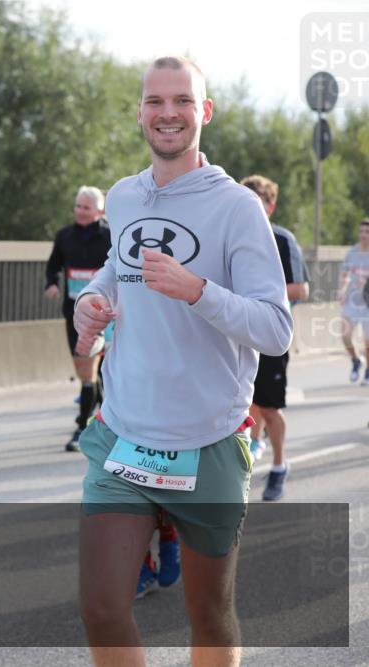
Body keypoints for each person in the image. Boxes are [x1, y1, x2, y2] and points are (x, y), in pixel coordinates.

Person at [73, 56, 292, 667]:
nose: (167, 113)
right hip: (124, 434)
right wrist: (91, 302)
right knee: (101, 608)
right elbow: (115, 270)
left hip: (207, 440)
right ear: (140, 111)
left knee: (211, 617)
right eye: (155, 101)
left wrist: (197, 291)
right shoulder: (124, 195)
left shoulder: (237, 207)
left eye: (182, 101)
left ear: (205, 112)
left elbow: (276, 329)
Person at [240, 175, 310, 501]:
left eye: (258, 198)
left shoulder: (282, 239)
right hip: (235, 332)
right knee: (242, 402)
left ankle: (280, 465)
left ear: (271, 205)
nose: (251, 203)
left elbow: (300, 289)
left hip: (269, 334)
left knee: (268, 407)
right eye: (246, 196)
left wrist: (255, 296)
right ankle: (252, 446)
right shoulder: (230, 234)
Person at [45, 186, 112, 451]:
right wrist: (52, 283)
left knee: (92, 369)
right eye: (78, 206)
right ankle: (98, 414)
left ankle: (83, 427)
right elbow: (53, 265)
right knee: (85, 368)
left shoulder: (110, 236)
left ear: (99, 211)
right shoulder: (64, 236)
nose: (80, 211)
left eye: (86, 207)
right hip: (74, 313)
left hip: (104, 315)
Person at [338, 219, 369, 384]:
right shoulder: (352, 253)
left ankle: (368, 371)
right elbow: (345, 275)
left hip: (367, 304)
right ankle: (356, 360)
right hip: (352, 301)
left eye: (367, 232)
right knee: (345, 335)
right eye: (361, 231)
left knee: (367, 341)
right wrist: (342, 291)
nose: (363, 235)